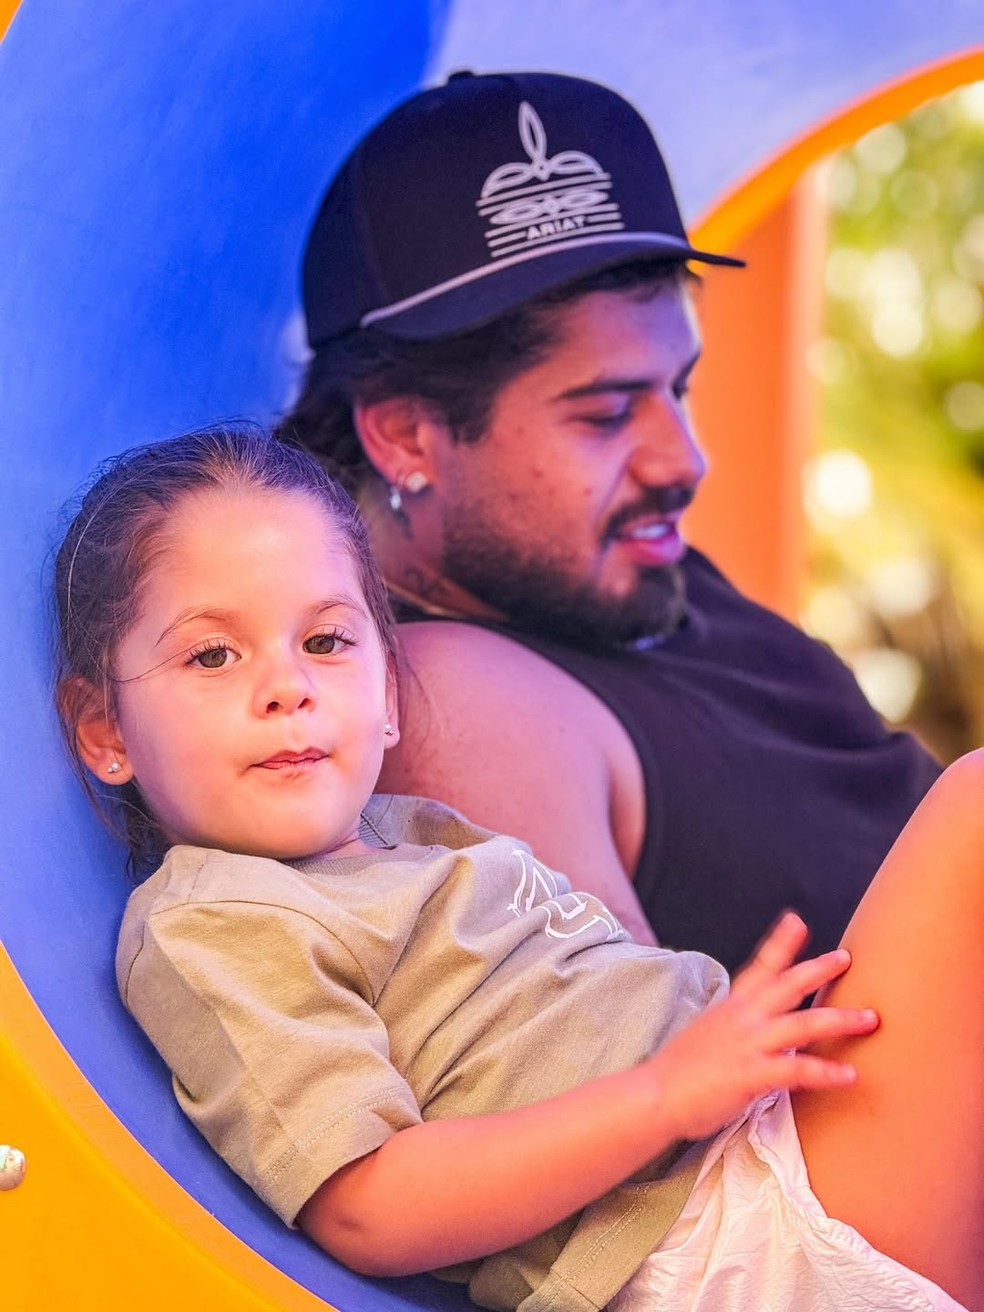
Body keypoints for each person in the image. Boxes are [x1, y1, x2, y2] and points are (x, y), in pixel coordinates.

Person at [54, 426, 982, 1311]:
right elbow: (369, 1205)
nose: (287, 686)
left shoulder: (414, 838)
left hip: (755, 1149)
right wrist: (667, 1093)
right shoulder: (219, 917)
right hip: (723, 1241)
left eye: (327, 641)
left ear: (384, 692)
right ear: (103, 732)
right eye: (213, 654)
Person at [276, 69, 943, 964]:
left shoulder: (608, 575)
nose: (685, 460)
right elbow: (666, 1098)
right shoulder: (447, 698)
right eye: (604, 413)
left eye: (679, 387)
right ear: (405, 435)